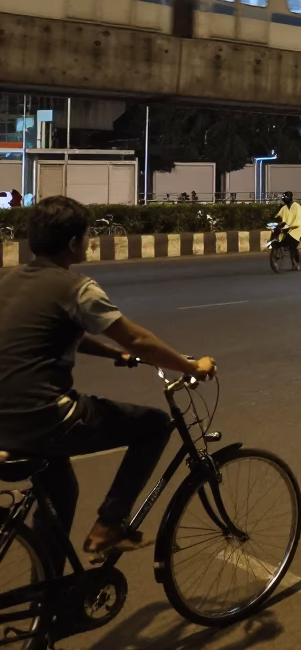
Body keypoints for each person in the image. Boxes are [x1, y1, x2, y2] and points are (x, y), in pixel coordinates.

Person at [0, 196, 215, 560]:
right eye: (86, 236)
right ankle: (109, 526)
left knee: (61, 492)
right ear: (73, 244)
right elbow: (138, 339)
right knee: (154, 424)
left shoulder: (10, 281)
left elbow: (64, 332)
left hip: (5, 419)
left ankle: (50, 598)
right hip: (45, 416)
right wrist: (191, 367)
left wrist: (115, 355)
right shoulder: (77, 288)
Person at [274, 191, 301, 271]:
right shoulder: (284, 208)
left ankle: (295, 263)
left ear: (290, 198)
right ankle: (275, 254)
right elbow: (278, 216)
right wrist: (276, 222)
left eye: (286, 197)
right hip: (286, 229)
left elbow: (297, 220)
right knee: (276, 238)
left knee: (292, 245)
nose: (285, 199)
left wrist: (290, 227)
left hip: (296, 230)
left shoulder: (297, 206)